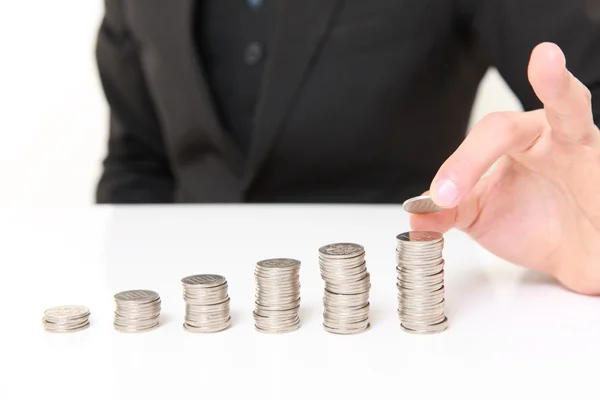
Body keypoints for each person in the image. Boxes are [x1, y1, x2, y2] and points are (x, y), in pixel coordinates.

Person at [94, 0, 600, 295]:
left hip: (396, 315)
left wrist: (588, 212)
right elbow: (136, 160)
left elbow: (584, 105)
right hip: (186, 325)